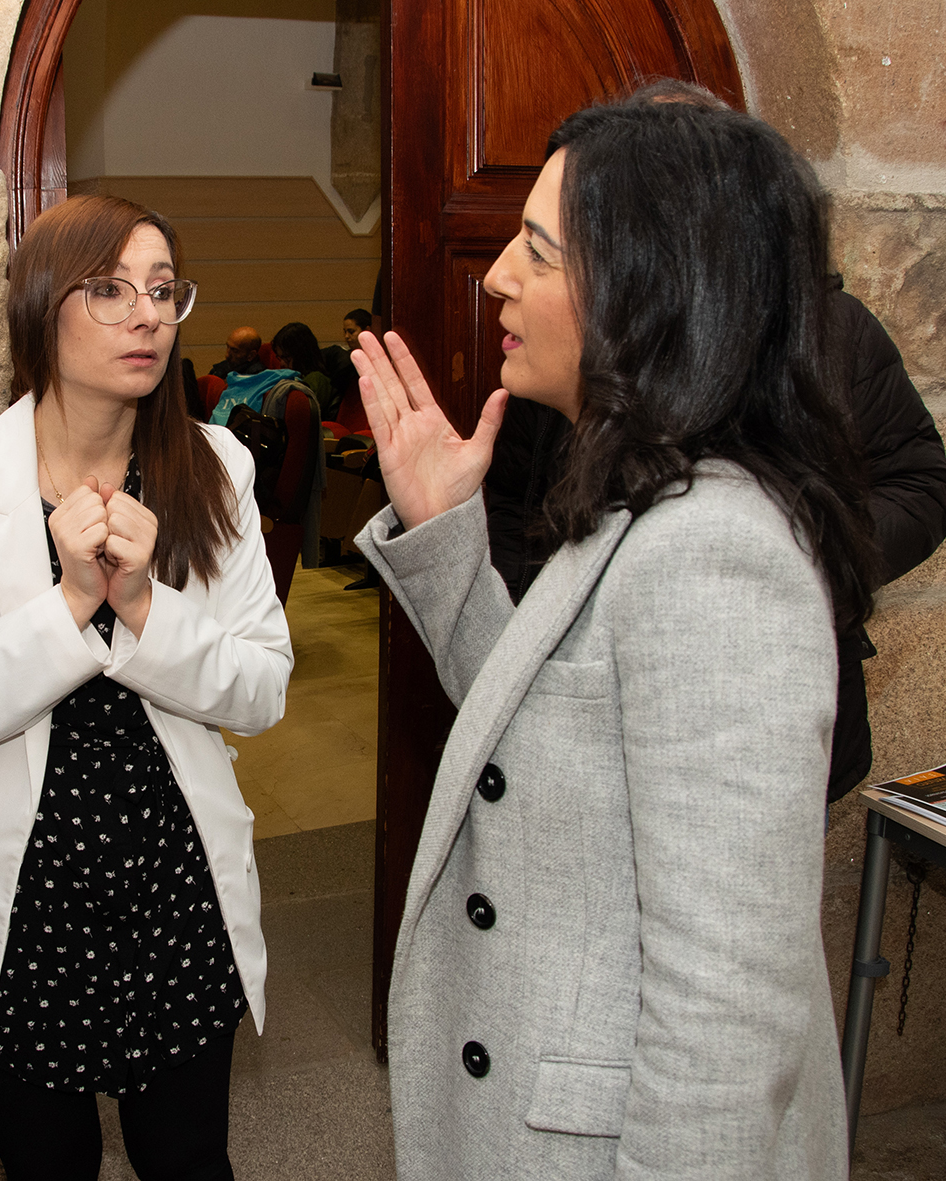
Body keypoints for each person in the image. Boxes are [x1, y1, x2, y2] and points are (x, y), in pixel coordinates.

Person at [352, 96, 876, 1178]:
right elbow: (529, 739)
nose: (495, 276)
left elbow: (725, 1022)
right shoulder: (649, 498)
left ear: (649, 292)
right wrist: (442, 529)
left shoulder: (714, 555)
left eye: (536, 253)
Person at [0, 194, 291, 1180]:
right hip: (22, 887)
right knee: (45, 1161)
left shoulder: (216, 467)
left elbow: (260, 688)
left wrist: (144, 605)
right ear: (40, 307)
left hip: (170, 871)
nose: (147, 314)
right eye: (108, 290)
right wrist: (69, 601)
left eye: (162, 290)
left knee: (189, 1156)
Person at [483, 81, 946, 804]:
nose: (500, 275)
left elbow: (920, 485)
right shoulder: (563, 360)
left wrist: (790, 564)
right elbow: (515, 514)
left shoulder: (834, 334)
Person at [270, 320, 335, 417]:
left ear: (301, 354)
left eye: (286, 357)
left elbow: (303, 417)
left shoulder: (316, 379)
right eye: (280, 357)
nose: (282, 363)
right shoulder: (292, 377)